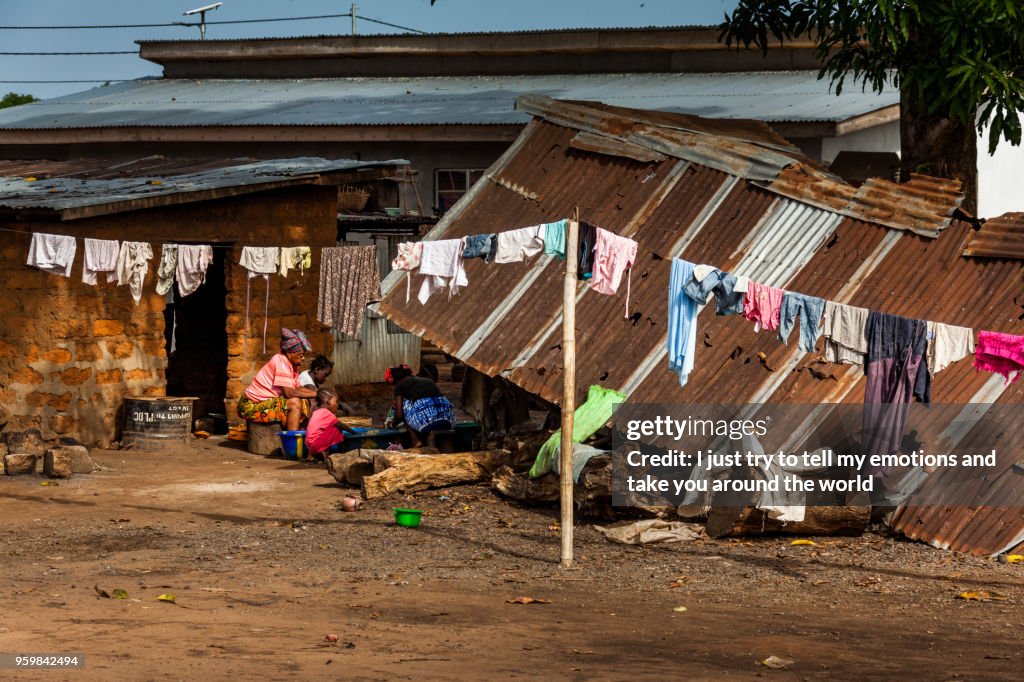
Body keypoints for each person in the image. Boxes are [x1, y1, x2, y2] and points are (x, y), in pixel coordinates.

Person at [237, 328, 317, 431]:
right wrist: (316, 394)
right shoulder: (280, 361)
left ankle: (302, 437)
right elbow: (289, 393)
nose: (303, 358)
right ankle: (292, 443)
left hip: (265, 402)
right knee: (294, 402)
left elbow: (298, 388)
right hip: (250, 405)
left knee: (306, 401)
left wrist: (316, 392)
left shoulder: (293, 365)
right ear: (289, 353)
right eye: (300, 355)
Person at [386, 364, 453, 447]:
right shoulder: (428, 381)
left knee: (404, 405)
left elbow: (399, 415)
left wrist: (392, 424)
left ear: (395, 380)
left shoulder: (400, 384)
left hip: (425, 423)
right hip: (449, 420)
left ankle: (416, 441)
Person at [306, 388, 357, 458]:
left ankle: (315, 454)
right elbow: (340, 425)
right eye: (336, 401)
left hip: (310, 447)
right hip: (316, 444)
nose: (337, 404)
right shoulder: (326, 412)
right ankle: (342, 451)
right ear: (328, 402)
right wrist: (354, 432)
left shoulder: (316, 411)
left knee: (331, 428)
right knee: (337, 429)